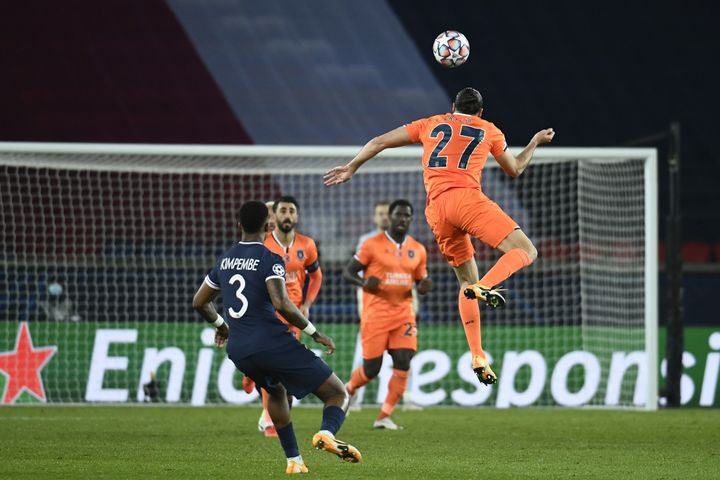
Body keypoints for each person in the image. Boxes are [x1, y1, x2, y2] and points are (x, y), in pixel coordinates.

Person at [324, 87, 555, 385]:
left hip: (436, 210)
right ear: (481, 112)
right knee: (526, 251)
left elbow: (380, 141)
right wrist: (534, 142)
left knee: (465, 283)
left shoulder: (430, 123)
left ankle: (477, 353)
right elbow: (515, 169)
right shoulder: (489, 130)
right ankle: (485, 286)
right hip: (467, 200)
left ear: (453, 106)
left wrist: (352, 166)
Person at [192, 201, 361, 474]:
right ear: (268, 226)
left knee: (276, 390)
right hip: (272, 343)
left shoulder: (224, 259)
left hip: (239, 349)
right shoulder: (270, 259)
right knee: (337, 393)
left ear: (239, 226)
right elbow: (282, 303)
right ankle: (327, 434)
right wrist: (314, 332)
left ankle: (294, 461)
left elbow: (199, 302)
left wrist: (222, 326)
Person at [342, 199, 432, 430]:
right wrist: (364, 283)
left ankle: (384, 416)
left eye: (406, 216)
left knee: (404, 361)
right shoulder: (371, 244)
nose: (402, 219)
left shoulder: (418, 249)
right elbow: (348, 273)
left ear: (411, 220)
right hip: (376, 315)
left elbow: (421, 278)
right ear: (389, 218)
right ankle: (349, 389)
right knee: (371, 369)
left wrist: (424, 285)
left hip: (404, 314)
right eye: (398, 215)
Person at [245, 196, 324, 437]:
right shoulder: (263, 244)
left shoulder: (307, 245)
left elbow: (317, 276)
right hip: (268, 314)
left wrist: (307, 304)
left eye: (291, 211)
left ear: (297, 216)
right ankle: (270, 419)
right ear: (274, 216)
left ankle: (253, 378)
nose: (287, 215)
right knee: (275, 369)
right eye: (283, 211)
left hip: (293, 315)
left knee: (278, 371)